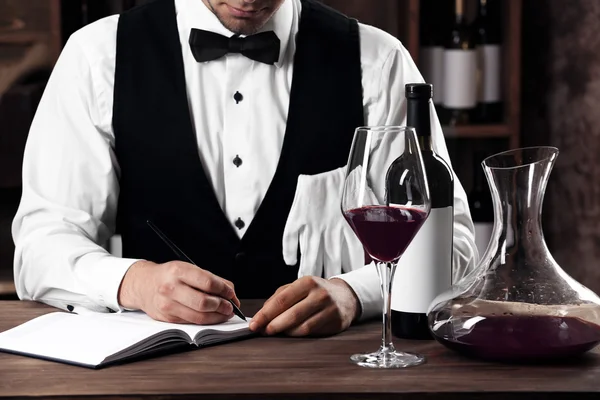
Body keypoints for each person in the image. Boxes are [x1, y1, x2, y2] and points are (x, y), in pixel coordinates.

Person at [12, 0, 478, 337]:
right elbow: (40, 246)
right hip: (153, 375)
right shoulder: (96, 56)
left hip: (332, 374)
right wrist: (134, 283)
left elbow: (452, 242)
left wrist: (356, 293)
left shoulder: (378, 60)